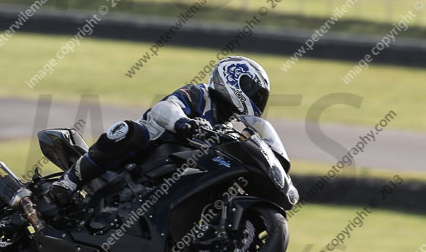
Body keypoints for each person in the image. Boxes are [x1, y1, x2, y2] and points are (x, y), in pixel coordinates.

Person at [52, 55, 272, 200]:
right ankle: (68, 182)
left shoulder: (227, 127)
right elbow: (165, 107)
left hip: (175, 177)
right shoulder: (199, 95)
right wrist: (183, 123)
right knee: (131, 132)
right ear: (232, 79)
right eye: (254, 92)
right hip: (150, 151)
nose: (256, 100)